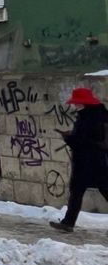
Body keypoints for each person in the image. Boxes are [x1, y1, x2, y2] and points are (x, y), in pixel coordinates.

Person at [50, 87, 108, 233]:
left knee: (77, 191)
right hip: (99, 160)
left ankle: (68, 223)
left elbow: (81, 141)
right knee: (83, 191)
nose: (75, 105)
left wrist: (68, 137)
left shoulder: (86, 117)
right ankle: (68, 222)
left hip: (86, 161)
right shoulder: (100, 114)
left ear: (83, 103)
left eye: (77, 102)